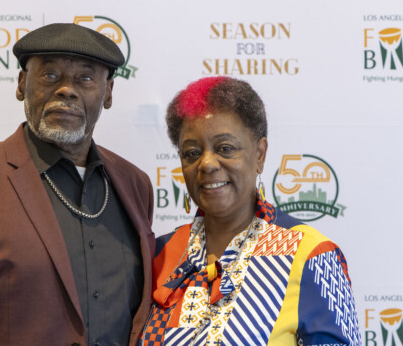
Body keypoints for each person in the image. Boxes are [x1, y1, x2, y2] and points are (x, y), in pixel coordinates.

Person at [0, 23, 155, 346]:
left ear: (107, 93)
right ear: (22, 84)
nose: (67, 89)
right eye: (49, 76)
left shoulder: (136, 185)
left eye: (86, 78)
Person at [139, 77, 361, 345]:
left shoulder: (311, 254)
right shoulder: (160, 254)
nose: (207, 164)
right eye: (192, 153)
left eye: (225, 148)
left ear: (260, 154)